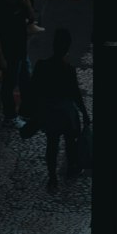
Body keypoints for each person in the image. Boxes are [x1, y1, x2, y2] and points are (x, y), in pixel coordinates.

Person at [30, 27, 88, 192]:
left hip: (49, 111)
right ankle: (71, 168)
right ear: (67, 47)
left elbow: (34, 89)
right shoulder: (68, 69)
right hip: (66, 112)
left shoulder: (42, 65)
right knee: (70, 142)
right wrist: (84, 113)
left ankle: (52, 177)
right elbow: (76, 93)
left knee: (52, 144)